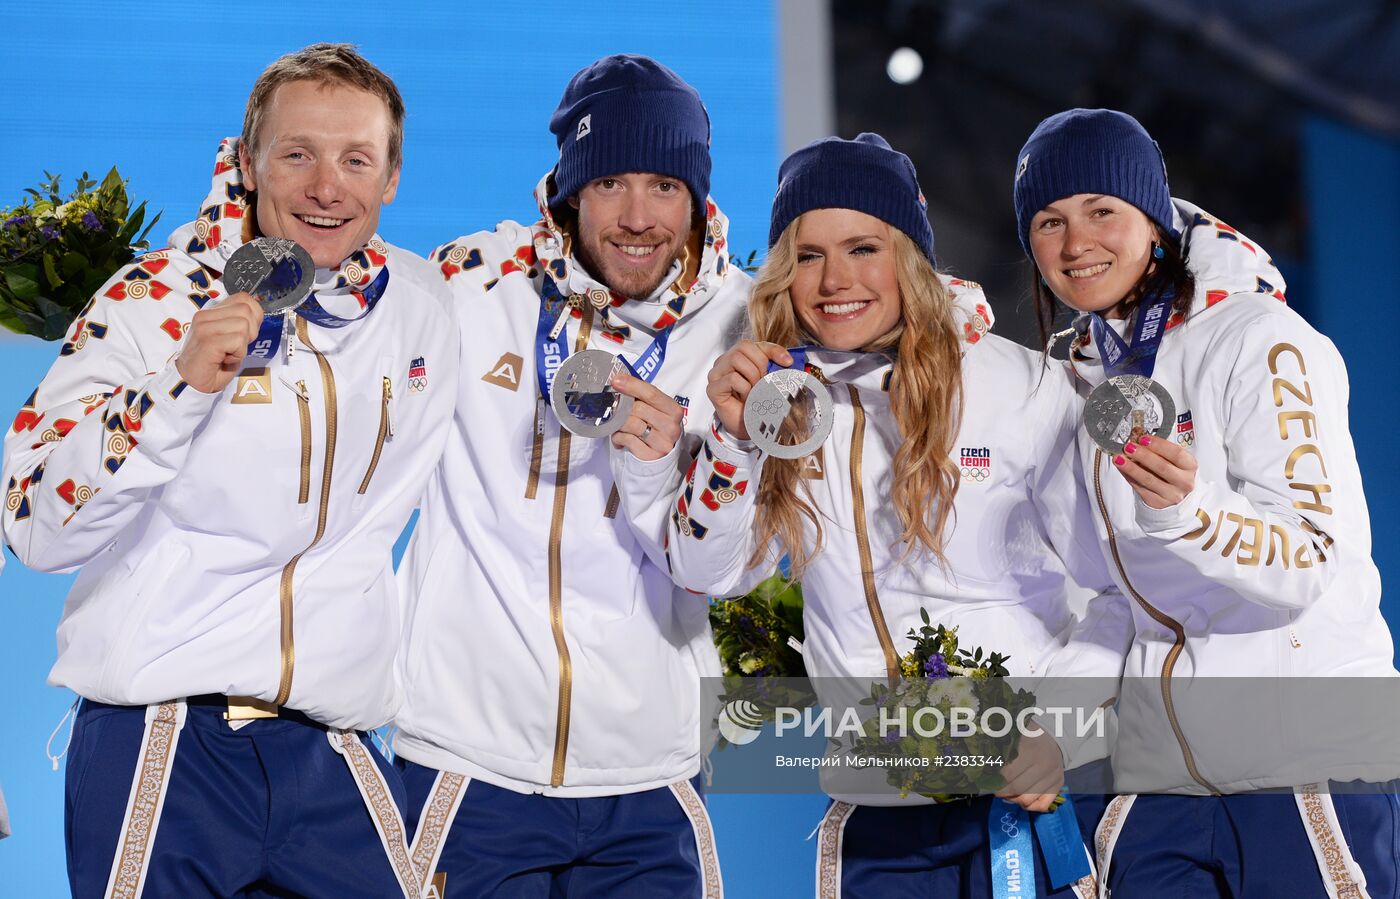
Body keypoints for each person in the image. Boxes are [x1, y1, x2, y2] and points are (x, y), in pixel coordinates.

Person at [1, 43, 457, 898]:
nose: (328, 187)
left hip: (336, 749)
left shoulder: (425, 307)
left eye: (356, 159)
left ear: (391, 178)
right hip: (166, 740)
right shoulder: (150, 299)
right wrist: (174, 388)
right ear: (246, 161)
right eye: (298, 154)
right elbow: (31, 519)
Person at [666, 132, 1126, 898]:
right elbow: (708, 571)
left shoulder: (1022, 389)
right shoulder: (784, 401)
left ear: (909, 257)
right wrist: (735, 438)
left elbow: (1122, 589)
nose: (834, 279)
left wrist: (1058, 730)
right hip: (875, 816)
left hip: (1021, 799)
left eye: (862, 247)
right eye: (808, 254)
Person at [1014, 107, 1399, 898]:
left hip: (1304, 769)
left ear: (1153, 220)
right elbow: (1114, 603)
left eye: (1101, 211)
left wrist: (1191, 510)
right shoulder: (1082, 380)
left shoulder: (1260, 340)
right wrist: (1056, 719)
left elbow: (1311, 559)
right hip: (1163, 781)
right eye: (1048, 221)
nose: (1075, 242)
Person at [392, 54, 748, 897]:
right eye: (610, 183)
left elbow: (722, 570)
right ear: (568, 189)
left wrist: (683, 464)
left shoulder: (744, 322)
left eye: (663, 185)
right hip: (464, 762)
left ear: (696, 195)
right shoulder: (466, 284)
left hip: (651, 773)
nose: (636, 217)